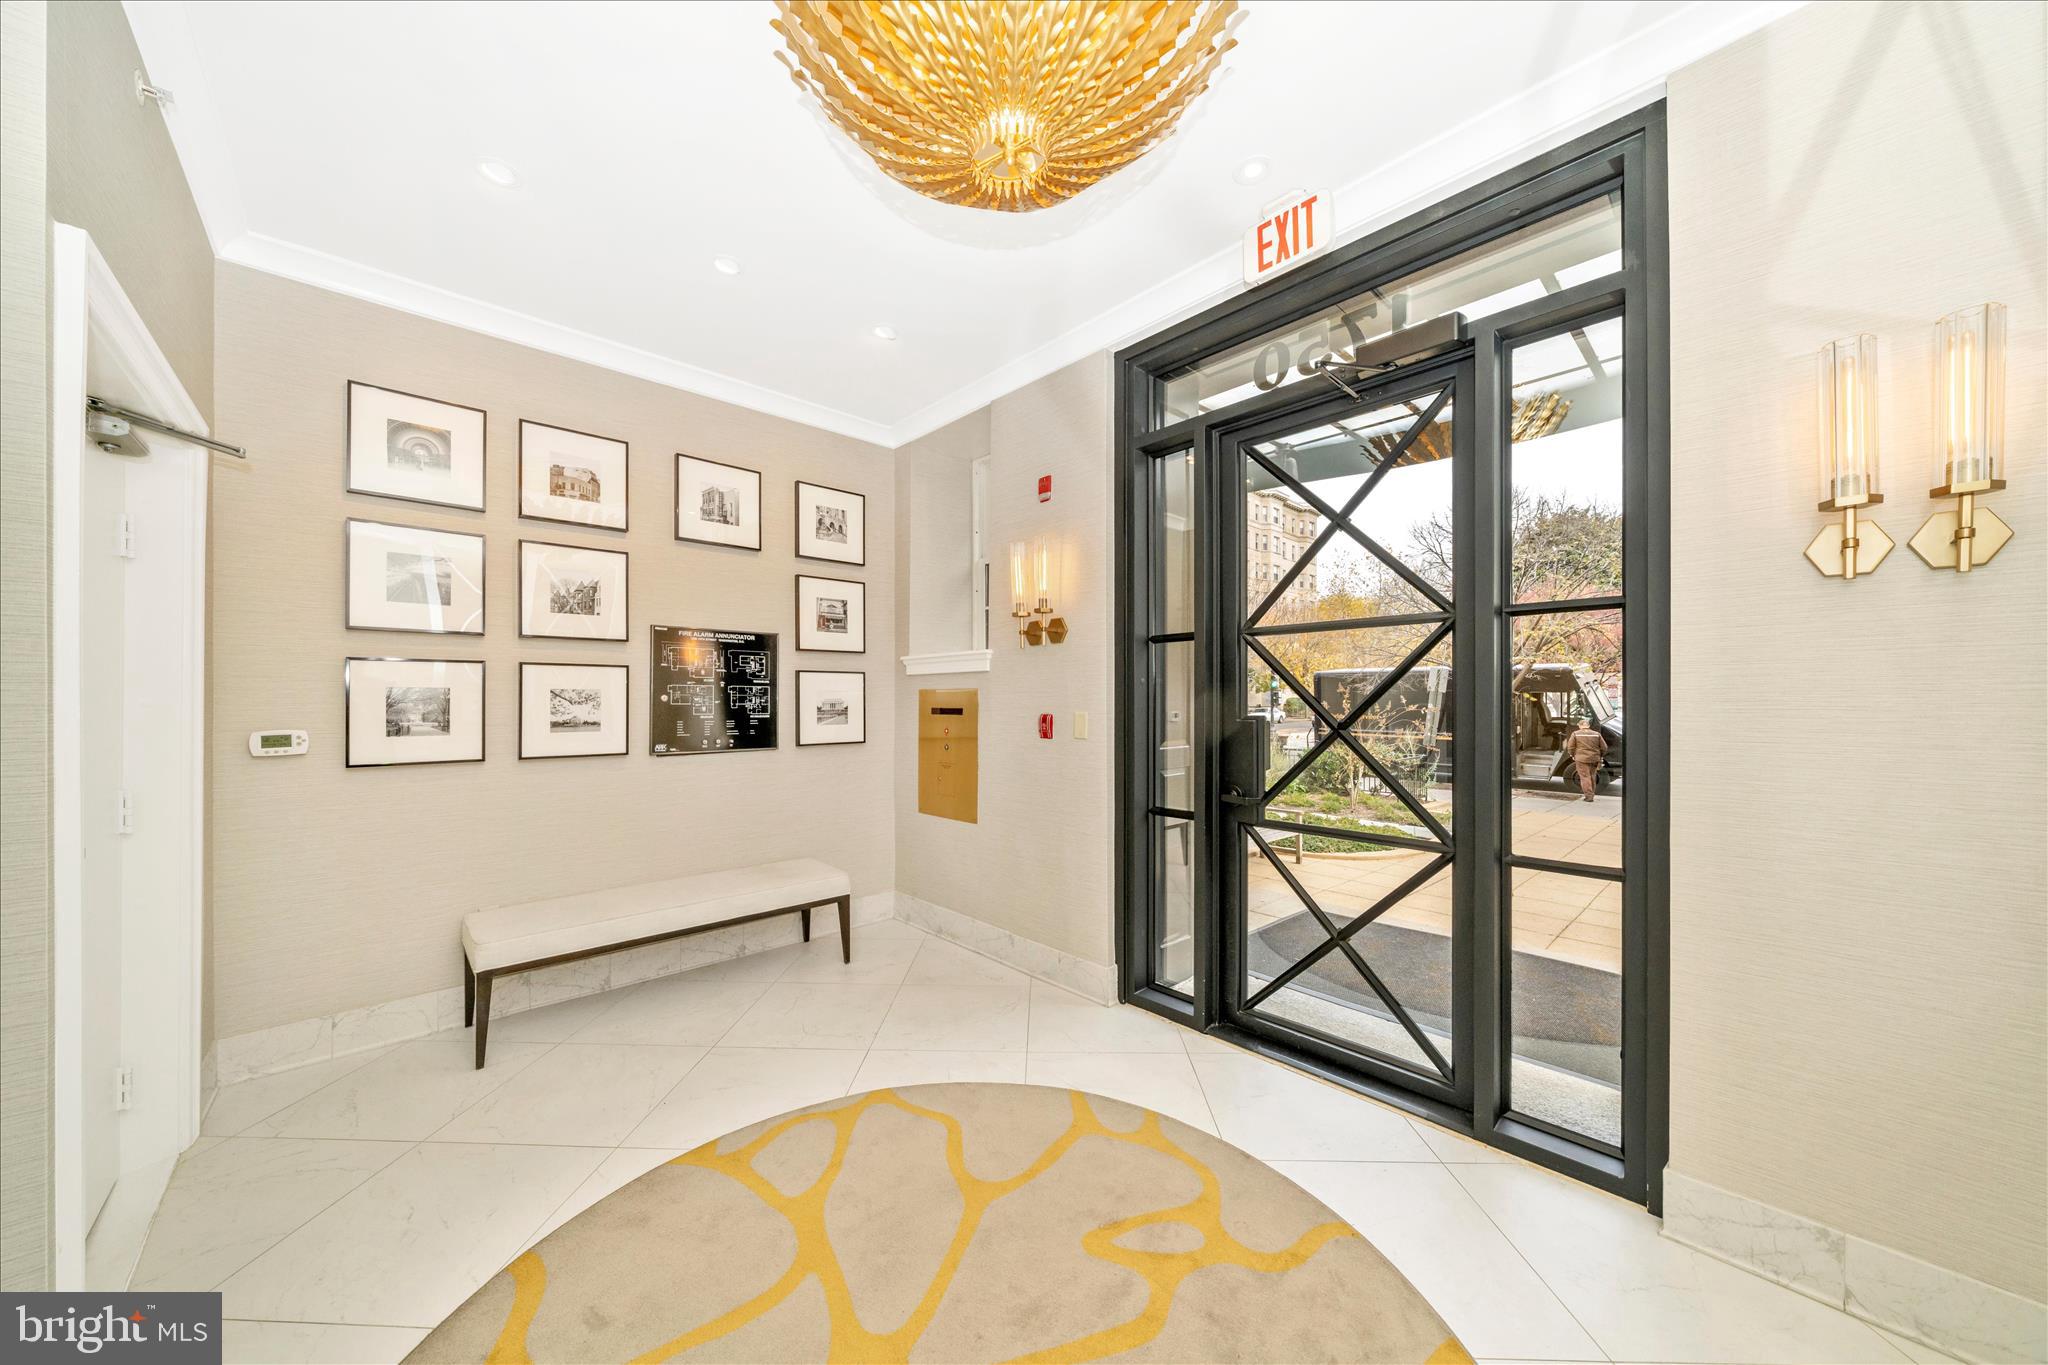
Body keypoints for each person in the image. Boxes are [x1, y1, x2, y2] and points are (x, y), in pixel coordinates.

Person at [1564, 715, 1608, 801]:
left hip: (1581, 759)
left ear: (1580, 726)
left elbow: (1570, 747)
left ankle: (1589, 796)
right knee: (1592, 776)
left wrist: (1573, 755)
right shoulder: (1596, 734)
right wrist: (1600, 755)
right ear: (1588, 726)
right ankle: (1592, 794)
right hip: (1594, 758)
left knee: (1585, 777)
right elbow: (1604, 747)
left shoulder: (1575, 734)